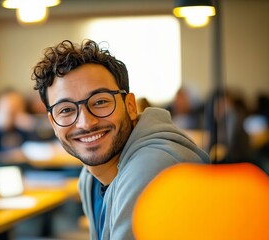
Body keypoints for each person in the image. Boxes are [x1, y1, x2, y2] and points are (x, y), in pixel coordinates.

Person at [31, 39, 210, 239]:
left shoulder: (154, 167)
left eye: (100, 102)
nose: (86, 123)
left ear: (131, 106)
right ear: (53, 123)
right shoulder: (89, 178)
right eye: (65, 110)